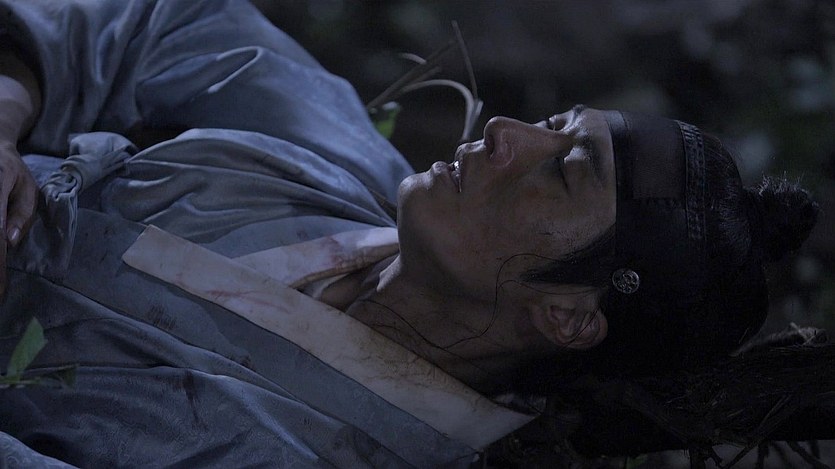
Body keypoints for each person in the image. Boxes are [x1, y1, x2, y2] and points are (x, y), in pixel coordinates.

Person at [0, 0, 819, 467]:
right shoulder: (335, 160)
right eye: (550, 125)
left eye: (564, 168)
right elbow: (158, 20)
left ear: (570, 314)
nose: (503, 133)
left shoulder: (331, 453)